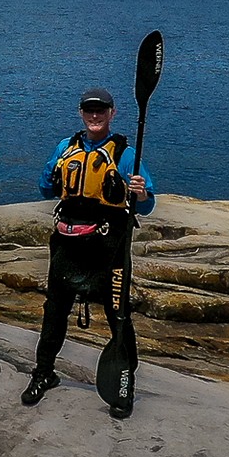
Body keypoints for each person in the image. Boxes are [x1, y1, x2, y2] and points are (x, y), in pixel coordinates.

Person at [21, 85, 154, 416]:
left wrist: (139, 192)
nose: (95, 115)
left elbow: (147, 204)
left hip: (108, 247)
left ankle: (123, 385)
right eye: (89, 110)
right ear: (81, 113)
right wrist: (52, 175)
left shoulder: (125, 153)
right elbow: (44, 188)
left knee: (117, 315)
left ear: (112, 113)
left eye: (101, 110)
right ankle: (43, 373)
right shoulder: (65, 148)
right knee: (55, 311)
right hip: (67, 243)